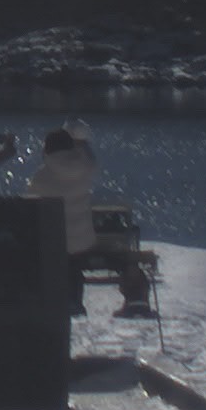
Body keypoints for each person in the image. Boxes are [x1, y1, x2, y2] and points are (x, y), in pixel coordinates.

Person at [26, 125, 153, 317]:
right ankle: (76, 302)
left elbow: (30, 203)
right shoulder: (85, 167)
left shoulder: (41, 176)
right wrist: (81, 144)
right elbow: (90, 157)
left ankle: (60, 302)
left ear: (47, 150)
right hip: (82, 237)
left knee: (55, 265)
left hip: (54, 239)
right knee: (75, 264)